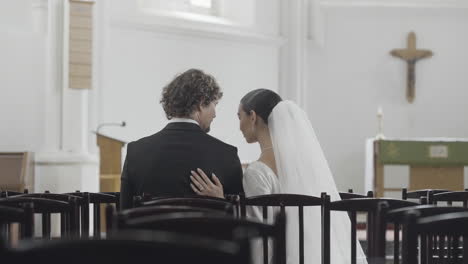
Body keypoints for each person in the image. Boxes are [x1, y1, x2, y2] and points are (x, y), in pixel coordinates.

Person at [190, 89, 367, 264]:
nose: (239, 126)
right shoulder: (304, 165)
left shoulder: (257, 172)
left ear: (252, 116)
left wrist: (222, 201)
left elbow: (260, 235)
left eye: (240, 117)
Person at [120, 69, 244, 209]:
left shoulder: (136, 151)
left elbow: (123, 214)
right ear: (201, 103)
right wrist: (222, 202)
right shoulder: (227, 155)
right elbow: (238, 223)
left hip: (149, 231)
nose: (215, 114)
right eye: (214, 104)